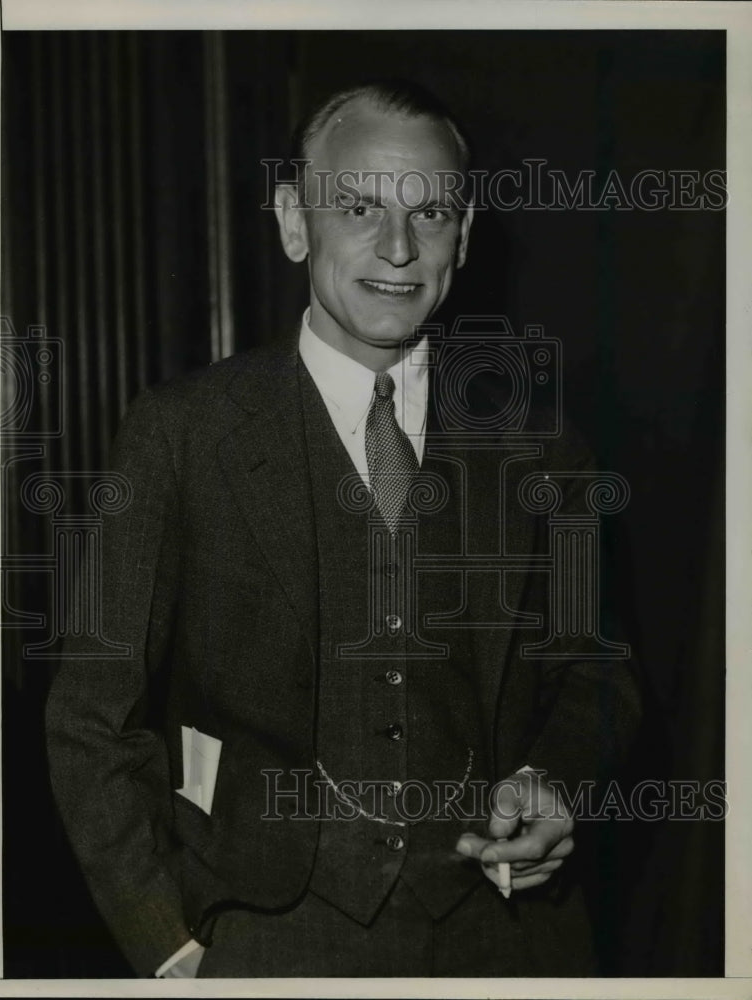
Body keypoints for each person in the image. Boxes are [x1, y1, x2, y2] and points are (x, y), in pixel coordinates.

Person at [46, 79, 641, 978]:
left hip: (510, 940)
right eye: (358, 207)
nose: (397, 248)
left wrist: (552, 782)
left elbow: (596, 677)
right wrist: (166, 948)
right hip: (264, 938)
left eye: (430, 213)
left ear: (465, 235)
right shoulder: (179, 432)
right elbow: (90, 718)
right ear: (294, 220)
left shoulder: (541, 443)